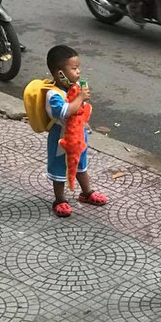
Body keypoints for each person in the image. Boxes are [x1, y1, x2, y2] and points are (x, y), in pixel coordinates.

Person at [45, 45, 108, 217]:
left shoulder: (73, 88)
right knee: (59, 169)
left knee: (80, 164)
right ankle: (59, 199)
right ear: (60, 74)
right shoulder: (53, 94)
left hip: (79, 137)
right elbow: (65, 111)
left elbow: (80, 111)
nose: (78, 72)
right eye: (74, 69)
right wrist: (80, 98)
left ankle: (86, 192)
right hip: (61, 140)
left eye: (78, 67)